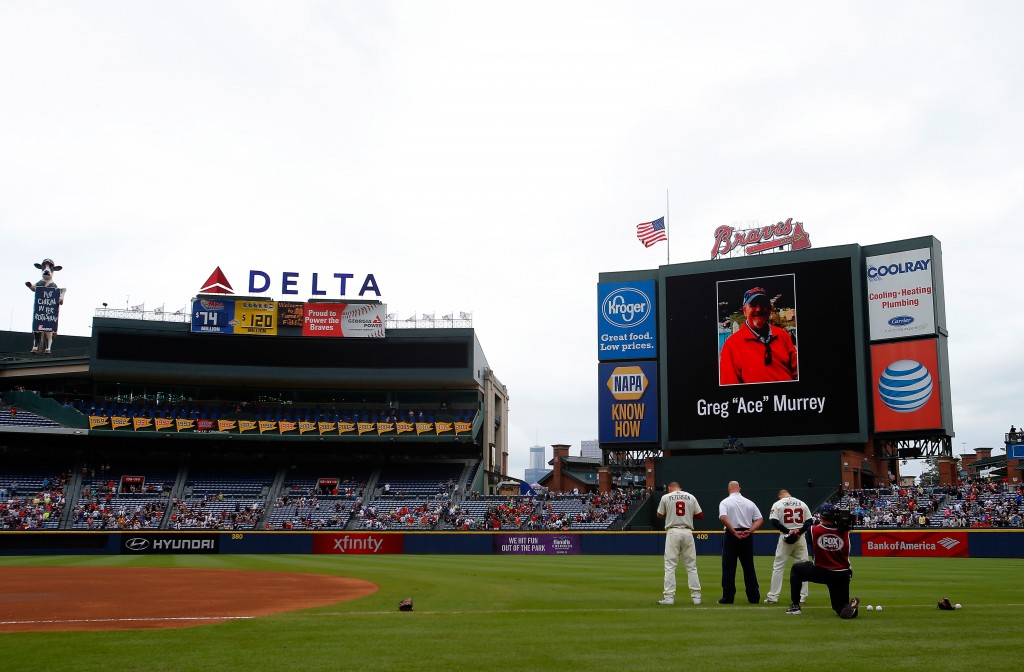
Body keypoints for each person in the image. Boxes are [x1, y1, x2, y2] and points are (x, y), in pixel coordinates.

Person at [785, 503, 859, 618]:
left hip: (821, 571)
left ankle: (795, 605)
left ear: (820, 516)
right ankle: (851, 608)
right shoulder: (845, 532)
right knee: (840, 608)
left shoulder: (814, 530)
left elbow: (810, 535)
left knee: (796, 569)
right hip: (842, 574)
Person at [719, 286, 798, 385]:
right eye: (753, 305)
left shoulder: (783, 336)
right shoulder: (731, 346)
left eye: (763, 304)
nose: (759, 309)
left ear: (769, 309)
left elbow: (797, 373)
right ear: (744, 311)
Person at [656, 482, 703, 606]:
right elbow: (700, 515)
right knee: (692, 566)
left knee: (670, 566)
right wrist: (687, 514)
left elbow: (659, 514)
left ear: (670, 488)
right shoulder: (690, 496)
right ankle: (696, 598)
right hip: (687, 532)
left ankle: (669, 597)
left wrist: (671, 513)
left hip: (673, 532)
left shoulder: (666, 497)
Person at [764, 489, 812, 605]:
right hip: (800, 538)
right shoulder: (802, 503)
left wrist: (789, 532)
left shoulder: (778, 504)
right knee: (804, 566)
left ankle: (773, 596)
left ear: (780, 496)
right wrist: (799, 532)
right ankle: (802, 597)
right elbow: (809, 522)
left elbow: (774, 522)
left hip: (785, 538)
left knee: (778, 566)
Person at [718, 481, 762, 604]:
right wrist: (750, 531)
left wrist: (733, 531)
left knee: (728, 567)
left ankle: (728, 597)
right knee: (749, 567)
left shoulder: (725, 502)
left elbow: (723, 517)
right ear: (739, 488)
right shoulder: (749, 502)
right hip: (747, 535)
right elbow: (759, 519)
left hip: (732, 535)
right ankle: (754, 597)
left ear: (728, 489)